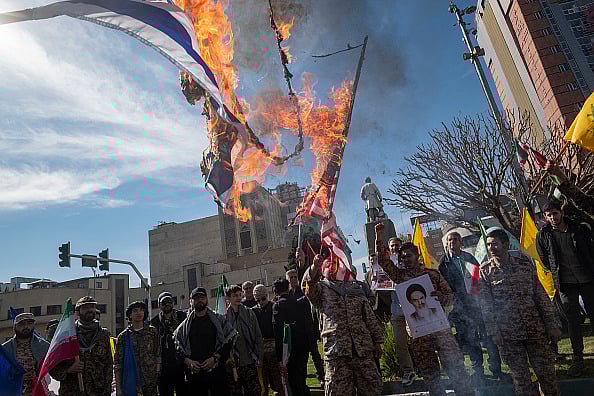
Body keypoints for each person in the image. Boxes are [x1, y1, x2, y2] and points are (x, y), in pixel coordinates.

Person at [375, 223, 474, 396]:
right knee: (431, 374)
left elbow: (451, 296)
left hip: (440, 329)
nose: (405, 260)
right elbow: (383, 261)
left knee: (456, 367)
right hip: (419, 333)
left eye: (409, 256)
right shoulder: (400, 276)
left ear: (417, 255)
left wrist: (441, 297)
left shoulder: (432, 274)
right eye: (402, 257)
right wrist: (379, 236)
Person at [481, 229, 561, 396]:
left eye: (494, 243)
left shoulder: (524, 265)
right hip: (508, 336)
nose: (491, 248)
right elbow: (486, 305)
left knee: (547, 376)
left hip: (535, 330)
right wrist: (494, 332)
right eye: (488, 244)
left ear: (506, 244)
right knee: (522, 382)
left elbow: (540, 296)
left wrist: (551, 324)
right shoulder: (485, 272)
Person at [302, 255, 384, 396]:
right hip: (337, 351)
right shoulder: (322, 289)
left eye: (338, 265)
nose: (335, 268)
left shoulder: (356, 288)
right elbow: (307, 286)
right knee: (338, 391)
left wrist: (377, 341)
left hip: (362, 349)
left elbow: (369, 317)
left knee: (372, 389)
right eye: (330, 265)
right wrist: (314, 266)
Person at [536, 199, 594, 376]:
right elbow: (543, 257)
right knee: (573, 321)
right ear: (545, 218)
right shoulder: (543, 235)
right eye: (549, 215)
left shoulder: (578, 227)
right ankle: (578, 359)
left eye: (555, 213)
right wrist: (554, 271)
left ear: (560, 212)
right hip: (564, 283)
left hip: (587, 278)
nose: (553, 217)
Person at [439, 231, 505, 383]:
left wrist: (477, 298)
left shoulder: (469, 258)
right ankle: (478, 373)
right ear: (447, 243)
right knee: (470, 341)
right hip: (459, 309)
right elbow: (445, 287)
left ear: (461, 242)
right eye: (450, 240)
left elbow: (478, 279)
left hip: (477, 305)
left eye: (456, 239)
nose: (453, 242)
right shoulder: (444, 263)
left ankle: (496, 369)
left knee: (488, 339)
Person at [174, 287, 236, 396]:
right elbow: (177, 347)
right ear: (191, 301)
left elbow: (229, 341)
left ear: (206, 299)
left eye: (202, 297)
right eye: (196, 298)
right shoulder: (184, 326)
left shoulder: (218, 320)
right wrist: (189, 362)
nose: (199, 300)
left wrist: (215, 358)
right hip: (195, 374)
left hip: (216, 371)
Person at [49, 296, 113, 396]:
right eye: (85, 308)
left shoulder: (103, 334)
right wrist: (69, 370)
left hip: (98, 391)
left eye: (92, 307)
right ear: (77, 312)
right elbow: (52, 364)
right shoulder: (67, 334)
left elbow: (108, 364)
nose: (89, 310)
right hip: (72, 390)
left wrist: (107, 390)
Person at [272, 279, 311, 396]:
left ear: (275, 291)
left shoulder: (278, 306)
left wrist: (279, 358)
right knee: (301, 377)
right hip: (303, 344)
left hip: (288, 348)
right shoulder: (299, 302)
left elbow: (278, 333)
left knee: (293, 381)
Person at [286, 268, 325, 386]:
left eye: (295, 277)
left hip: (308, 328)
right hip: (297, 332)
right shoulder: (287, 295)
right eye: (291, 277)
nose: (293, 279)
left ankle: (322, 377)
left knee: (315, 355)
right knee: (300, 359)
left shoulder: (303, 291)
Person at [386, 237, 416, 386]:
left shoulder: (409, 265)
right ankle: (407, 371)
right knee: (400, 343)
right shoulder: (387, 265)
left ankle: (425, 368)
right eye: (392, 246)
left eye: (397, 245)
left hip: (413, 310)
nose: (395, 248)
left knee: (418, 341)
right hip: (397, 310)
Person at [115, 301, 160, 396]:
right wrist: (119, 389)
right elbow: (118, 364)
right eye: (135, 311)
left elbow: (158, 354)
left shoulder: (152, 332)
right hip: (131, 382)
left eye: (141, 310)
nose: (139, 313)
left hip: (150, 383)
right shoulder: (123, 337)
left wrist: (156, 372)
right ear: (130, 315)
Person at [225, 285, 263, 396]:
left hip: (249, 360)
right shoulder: (224, 317)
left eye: (239, 295)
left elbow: (257, 336)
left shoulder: (249, 313)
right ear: (228, 298)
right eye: (234, 295)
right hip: (233, 364)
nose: (238, 297)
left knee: (254, 391)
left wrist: (259, 356)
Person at [2, 313, 50, 396]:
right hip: (13, 391)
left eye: (29, 323)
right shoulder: (5, 349)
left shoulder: (44, 346)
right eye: (22, 324)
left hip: (37, 391)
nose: (26, 327)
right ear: (15, 327)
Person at [150, 291, 188, 396]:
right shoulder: (154, 323)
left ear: (173, 303)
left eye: (169, 301)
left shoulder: (183, 317)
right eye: (164, 302)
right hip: (163, 367)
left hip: (182, 364)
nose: (167, 304)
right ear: (159, 305)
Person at [252, 284, 284, 396]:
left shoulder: (274, 306)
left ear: (267, 295)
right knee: (262, 381)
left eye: (263, 299)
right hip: (260, 348)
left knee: (278, 379)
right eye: (257, 300)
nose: (260, 302)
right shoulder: (253, 311)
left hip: (274, 345)